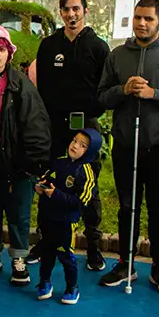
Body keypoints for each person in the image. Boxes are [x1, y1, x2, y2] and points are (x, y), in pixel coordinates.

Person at [97, 0, 159, 293]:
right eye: (138, 18)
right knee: (127, 207)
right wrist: (122, 90)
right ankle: (125, 264)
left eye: (149, 19)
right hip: (126, 145)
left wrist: (156, 94)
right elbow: (101, 97)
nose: (142, 23)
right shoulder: (117, 56)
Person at [30, 0, 111, 271]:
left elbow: (105, 89)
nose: (71, 14)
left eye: (76, 9)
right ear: (61, 13)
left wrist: (92, 114)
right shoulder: (49, 45)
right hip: (54, 127)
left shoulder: (99, 47)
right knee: (49, 182)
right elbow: (41, 88)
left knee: (88, 187)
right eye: (65, 9)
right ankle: (45, 241)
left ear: (85, 11)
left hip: (86, 127)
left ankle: (94, 247)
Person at [0, 26, 51, 286]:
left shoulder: (21, 84)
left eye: (1, 49)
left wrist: (31, 163)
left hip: (17, 159)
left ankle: (19, 257)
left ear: (9, 55)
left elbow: (37, 125)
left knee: (19, 210)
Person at [35, 129, 103, 304]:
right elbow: (45, 179)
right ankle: (44, 282)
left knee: (66, 256)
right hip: (48, 217)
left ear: (90, 151)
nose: (75, 146)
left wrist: (55, 194)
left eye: (82, 145)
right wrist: (40, 187)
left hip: (66, 221)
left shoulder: (86, 172)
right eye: (74, 141)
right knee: (47, 253)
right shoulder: (58, 163)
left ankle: (72, 287)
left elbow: (81, 201)